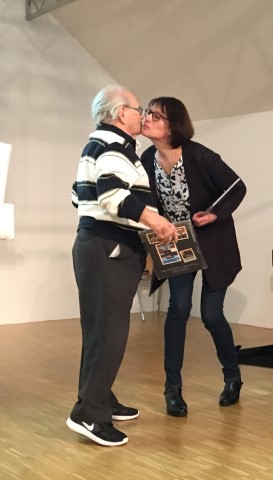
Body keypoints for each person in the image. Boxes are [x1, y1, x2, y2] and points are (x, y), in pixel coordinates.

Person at [68, 85, 178, 446]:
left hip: (98, 245)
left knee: (100, 330)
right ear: (120, 113)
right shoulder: (114, 144)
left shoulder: (100, 144)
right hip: (109, 247)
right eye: (138, 109)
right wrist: (156, 221)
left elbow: (77, 194)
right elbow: (113, 195)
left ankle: (99, 398)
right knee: (109, 332)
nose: (142, 115)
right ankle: (89, 414)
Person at [140, 97, 247, 416]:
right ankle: (172, 389)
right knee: (179, 309)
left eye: (156, 115)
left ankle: (233, 378)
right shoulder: (147, 158)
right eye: (147, 113)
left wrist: (214, 214)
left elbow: (237, 187)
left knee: (212, 315)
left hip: (213, 242)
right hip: (175, 242)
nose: (147, 118)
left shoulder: (199, 155)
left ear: (173, 125)